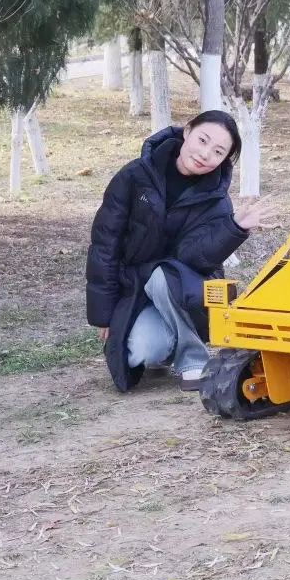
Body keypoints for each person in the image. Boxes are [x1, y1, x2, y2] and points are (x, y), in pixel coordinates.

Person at [86, 110, 274, 392]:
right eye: (202, 140)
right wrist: (104, 313)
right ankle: (166, 342)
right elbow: (105, 244)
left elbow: (193, 257)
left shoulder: (216, 202)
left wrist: (233, 228)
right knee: (140, 353)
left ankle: (192, 360)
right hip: (137, 286)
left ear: (224, 161)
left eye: (218, 152)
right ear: (187, 132)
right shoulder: (134, 176)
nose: (205, 154)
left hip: (188, 289)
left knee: (164, 274)